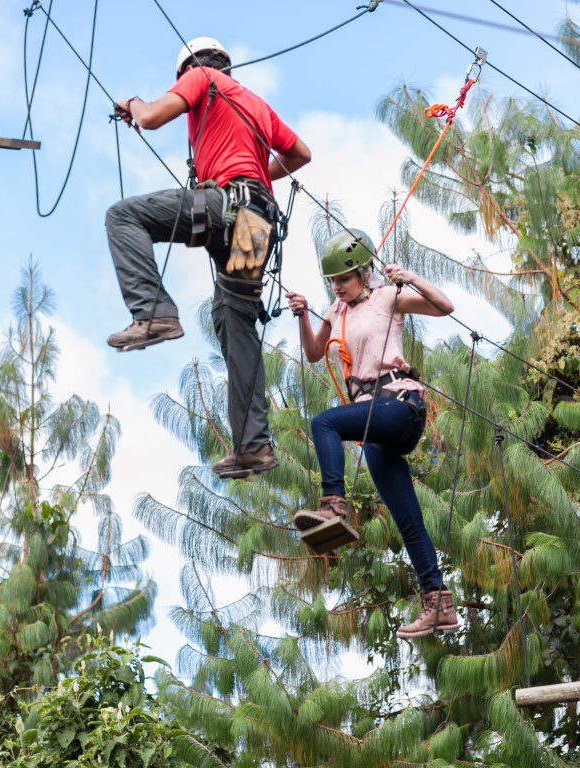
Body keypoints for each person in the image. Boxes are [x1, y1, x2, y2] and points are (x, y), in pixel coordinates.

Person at [107, 37, 312, 480]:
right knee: (233, 319)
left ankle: (154, 313)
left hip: (224, 208)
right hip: (257, 223)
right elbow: (300, 154)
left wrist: (134, 103)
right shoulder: (254, 103)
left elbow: (151, 117)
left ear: (187, 72)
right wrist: (260, 179)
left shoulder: (202, 79)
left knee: (124, 217)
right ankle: (253, 446)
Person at [284, 229, 461, 640]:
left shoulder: (386, 297)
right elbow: (314, 352)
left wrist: (409, 277)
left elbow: (445, 307)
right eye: (333, 281)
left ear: (363, 273)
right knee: (407, 521)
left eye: (343, 279)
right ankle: (438, 603)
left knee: (324, 423)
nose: (338, 287)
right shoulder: (336, 311)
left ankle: (334, 504)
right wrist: (304, 314)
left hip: (399, 404)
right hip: (373, 428)